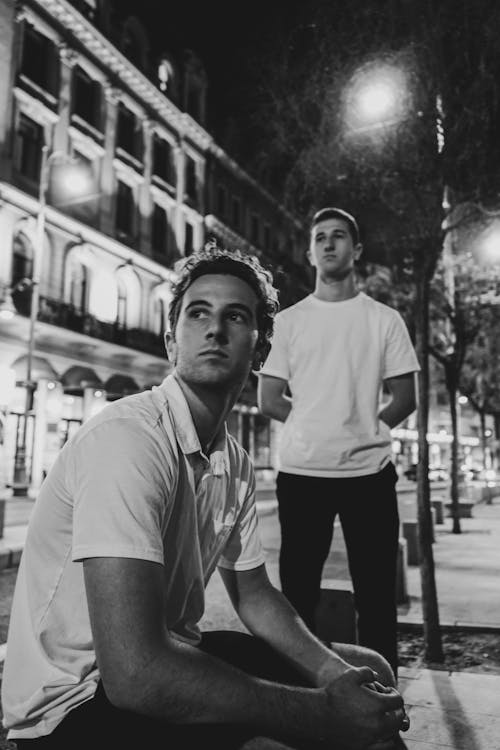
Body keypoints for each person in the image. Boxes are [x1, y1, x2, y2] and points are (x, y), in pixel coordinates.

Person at [2, 244, 408, 750]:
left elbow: (255, 596)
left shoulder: (231, 459)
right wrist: (319, 714)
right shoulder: (129, 439)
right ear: (172, 341)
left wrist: (332, 672)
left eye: (235, 316)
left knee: (368, 669)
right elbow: (134, 674)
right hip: (73, 705)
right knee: (308, 736)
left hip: (163, 659)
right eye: (198, 313)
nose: (214, 329)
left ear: (261, 352)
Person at [258, 208, 420, 675]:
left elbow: (405, 396)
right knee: (298, 594)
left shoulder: (384, 319)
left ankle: (383, 700)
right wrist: (314, 421)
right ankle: (303, 691)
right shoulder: (289, 321)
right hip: (302, 474)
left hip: (369, 475)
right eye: (321, 238)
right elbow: (269, 398)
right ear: (310, 252)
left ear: (357, 250)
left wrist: (365, 428)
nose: (329, 244)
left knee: (375, 595)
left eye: (340, 236)